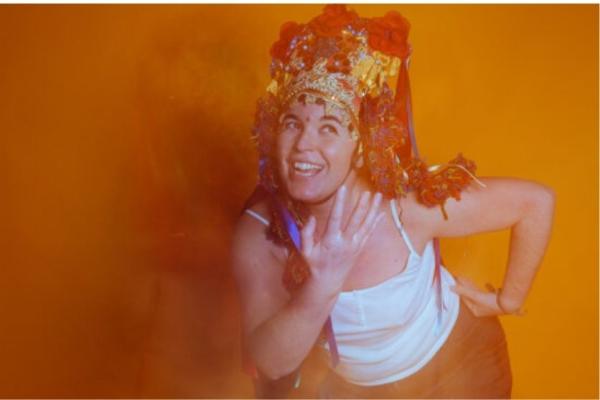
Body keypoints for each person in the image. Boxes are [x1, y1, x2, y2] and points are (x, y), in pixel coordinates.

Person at [231, 5, 555, 399]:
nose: (304, 145)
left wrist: (508, 299)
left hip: (460, 367)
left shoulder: (404, 207)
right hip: (363, 388)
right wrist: (322, 287)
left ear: (362, 149)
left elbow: (536, 202)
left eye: (330, 127)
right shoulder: (261, 230)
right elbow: (269, 362)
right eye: (292, 123)